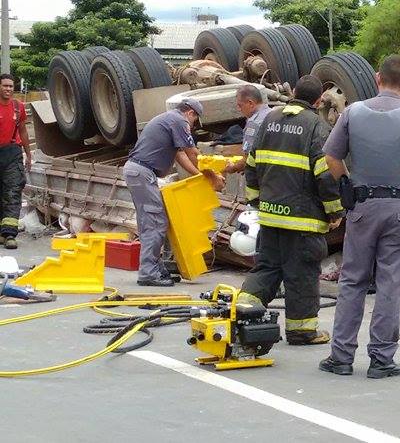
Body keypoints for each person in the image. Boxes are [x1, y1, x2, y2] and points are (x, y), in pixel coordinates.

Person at [320, 55, 400, 379]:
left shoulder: (353, 112)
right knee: (390, 283)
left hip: (362, 208)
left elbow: (331, 156)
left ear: (377, 78)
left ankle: (342, 357)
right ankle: (381, 360)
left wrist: (347, 183)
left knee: (352, 280)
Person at [237, 75, 344, 346]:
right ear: (319, 100)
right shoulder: (316, 127)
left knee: (267, 268)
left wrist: (256, 202)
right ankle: (302, 331)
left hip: (270, 216)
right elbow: (324, 175)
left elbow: (251, 164)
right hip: (302, 221)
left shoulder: (269, 120)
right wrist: (334, 212)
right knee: (302, 275)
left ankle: (242, 310)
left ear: (293, 92)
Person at [124, 98, 222, 286]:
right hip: (142, 173)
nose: (193, 125)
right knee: (155, 222)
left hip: (139, 172)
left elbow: (180, 154)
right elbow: (192, 153)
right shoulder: (179, 121)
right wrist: (211, 176)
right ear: (191, 113)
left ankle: (153, 267)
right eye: (195, 120)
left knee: (150, 221)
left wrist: (200, 175)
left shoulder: (169, 119)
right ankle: (148, 273)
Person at [0, 75, 31, 249]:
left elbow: (24, 132)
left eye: (11, 86)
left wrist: (28, 154)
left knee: (12, 192)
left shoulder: (18, 108)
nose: (8, 89)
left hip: (12, 154)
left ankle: (10, 234)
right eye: (5, 86)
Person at [223, 85, 272, 174]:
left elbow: (248, 157)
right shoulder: (275, 114)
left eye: (240, 105)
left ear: (250, 103)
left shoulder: (254, 123)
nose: (239, 109)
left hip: (264, 175)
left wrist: (233, 167)